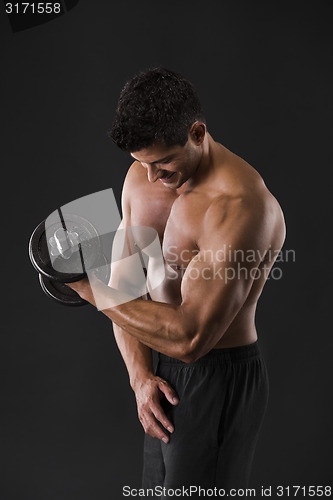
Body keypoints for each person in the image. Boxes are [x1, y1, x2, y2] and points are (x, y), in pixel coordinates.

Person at [68, 67, 286, 494]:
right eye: (141, 163)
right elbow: (126, 284)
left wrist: (88, 290)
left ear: (198, 132)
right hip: (160, 370)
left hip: (216, 375)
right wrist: (141, 379)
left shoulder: (240, 206)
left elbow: (190, 339)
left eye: (163, 161)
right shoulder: (142, 176)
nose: (151, 177)